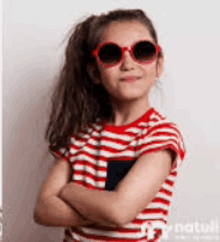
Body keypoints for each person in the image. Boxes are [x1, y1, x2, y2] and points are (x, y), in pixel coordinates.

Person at [34, 8, 186, 242]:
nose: (127, 63)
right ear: (95, 72)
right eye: (111, 54)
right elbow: (43, 210)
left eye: (142, 51)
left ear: (158, 64)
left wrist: (69, 190)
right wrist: (104, 209)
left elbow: (119, 211)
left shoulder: (161, 135)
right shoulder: (79, 136)